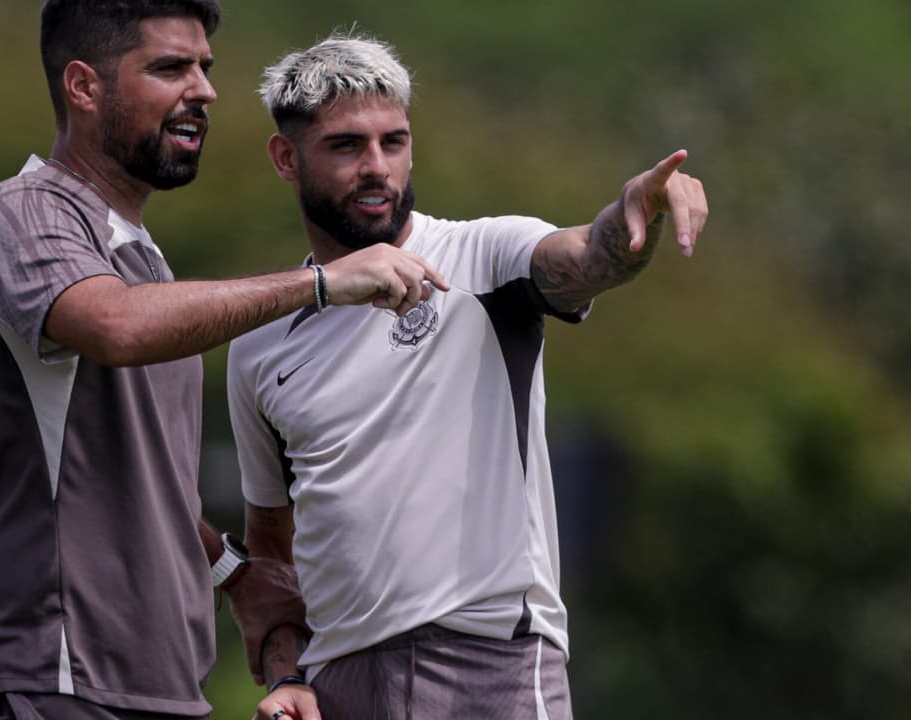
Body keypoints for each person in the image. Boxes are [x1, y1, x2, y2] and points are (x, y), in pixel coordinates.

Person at [0, 3, 450, 719]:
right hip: (42, 678)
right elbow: (116, 326)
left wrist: (234, 573)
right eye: (170, 68)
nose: (203, 91)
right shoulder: (21, 216)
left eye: (205, 68)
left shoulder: (142, 257)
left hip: (151, 686)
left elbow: (132, 477)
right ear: (83, 86)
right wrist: (322, 283)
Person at [226, 34, 709, 720]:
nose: (376, 168)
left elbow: (589, 256)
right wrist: (285, 677)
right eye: (345, 146)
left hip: (492, 664)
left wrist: (636, 211)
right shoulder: (259, 345)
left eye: (393, 142)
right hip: (338, 686)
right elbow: (272, 551)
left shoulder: (483, 257)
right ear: (286, 157)